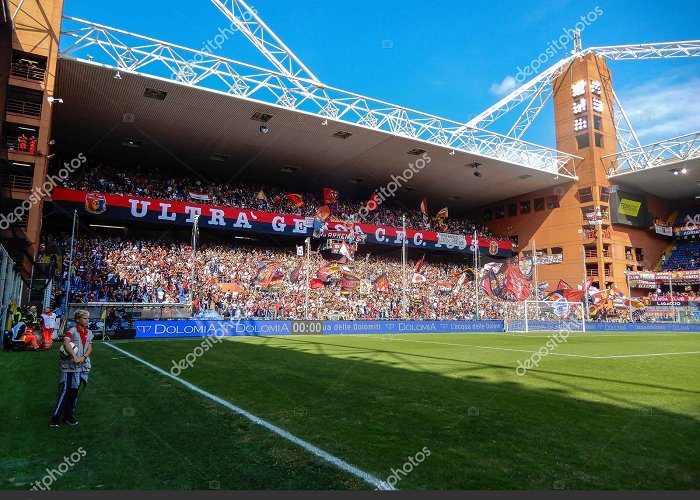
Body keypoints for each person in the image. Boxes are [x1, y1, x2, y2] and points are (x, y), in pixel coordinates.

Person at [50, 309, 93, 427]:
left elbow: (90, 348)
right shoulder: (72, 330)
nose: (87, 320)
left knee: (74, 391)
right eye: (85, 318)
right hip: (69, 366)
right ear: (78, 319)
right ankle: (55, 418)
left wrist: (83, 357)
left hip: (81, 365)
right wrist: (74, 356)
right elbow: (66, 342)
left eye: (88, 318)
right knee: (65, 391)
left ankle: (68, 416)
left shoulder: (89, 332)